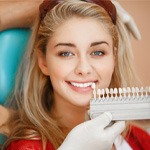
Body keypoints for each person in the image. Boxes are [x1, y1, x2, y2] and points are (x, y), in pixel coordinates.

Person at [1, 0, 150, 149]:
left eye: (98, 52)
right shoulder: (25, 147)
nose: (83, 69)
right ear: (43, 61)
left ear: (114, 58)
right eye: (66, 53)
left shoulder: (138, 139)